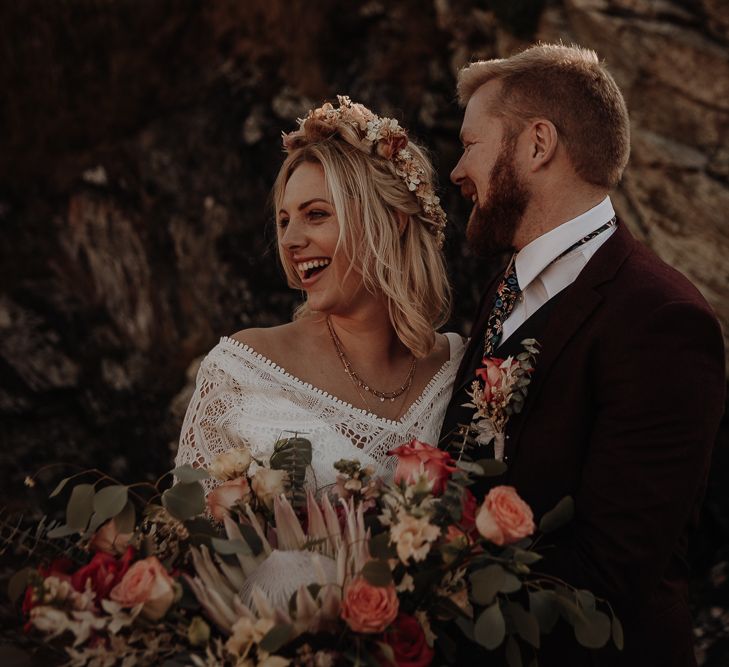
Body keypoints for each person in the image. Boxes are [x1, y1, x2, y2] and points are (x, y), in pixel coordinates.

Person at [439, 44, 725, 666]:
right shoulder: (505, 286)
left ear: (537, 144)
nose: (457, 170)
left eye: (471, 145)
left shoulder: (663, 320)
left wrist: (425, 599)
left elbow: (610, 571)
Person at [176, 96, 464, 490]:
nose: (290, 241)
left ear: (393, 221)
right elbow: (193, 541)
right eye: (283, 221)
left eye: (316, 214)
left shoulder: (460, 372)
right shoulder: (239, 375)